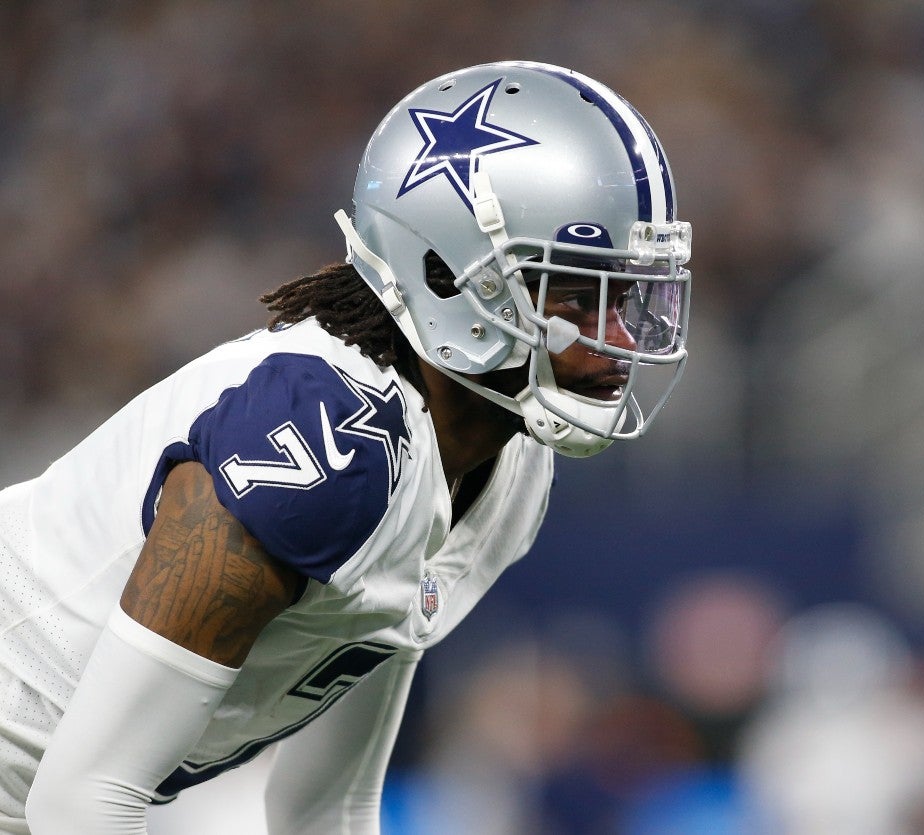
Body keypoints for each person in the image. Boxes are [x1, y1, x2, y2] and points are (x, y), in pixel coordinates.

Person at [0, 60, 692, 833]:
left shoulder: (508, 466)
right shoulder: (322, 441)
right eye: (577, 295)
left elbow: (327, 806)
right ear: (446, 275)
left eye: (627, 295)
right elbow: (83, 799)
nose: (621, 342)